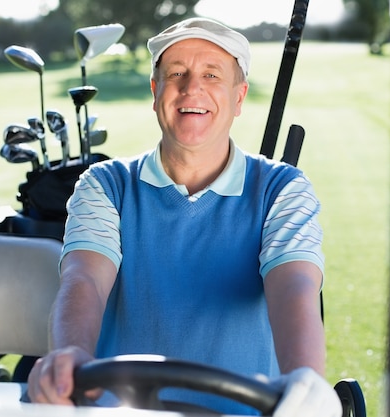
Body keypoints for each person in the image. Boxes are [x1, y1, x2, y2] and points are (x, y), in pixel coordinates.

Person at [27, 17, 341, 417]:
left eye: (212, 75)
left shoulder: (282, 189)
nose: (192, 88)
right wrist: (70, 353)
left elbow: (294, 287)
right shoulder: (105, 185)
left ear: (239, 96)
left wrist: (306, 378)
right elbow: (84, 278)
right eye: (177, 73)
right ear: (156, 91)